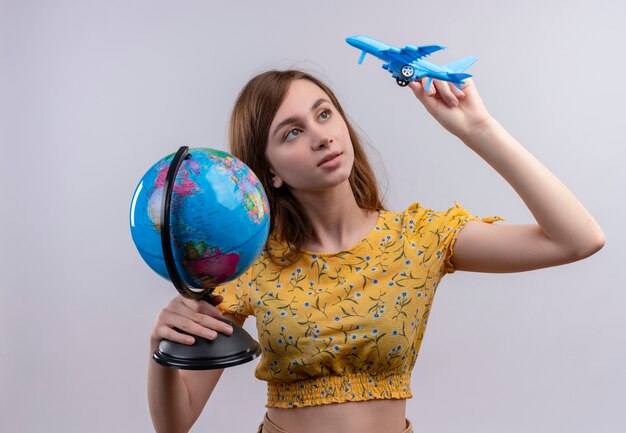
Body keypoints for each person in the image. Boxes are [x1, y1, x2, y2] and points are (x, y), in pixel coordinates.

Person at [147, 69, 605, 433]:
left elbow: (577, 239)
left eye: (325, 114)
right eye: (291, 132)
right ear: (269, 173)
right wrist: (160, 347)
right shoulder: (247, 263)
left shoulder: (419, 238)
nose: (321, 136)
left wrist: (478, 128)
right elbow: (175, 423)